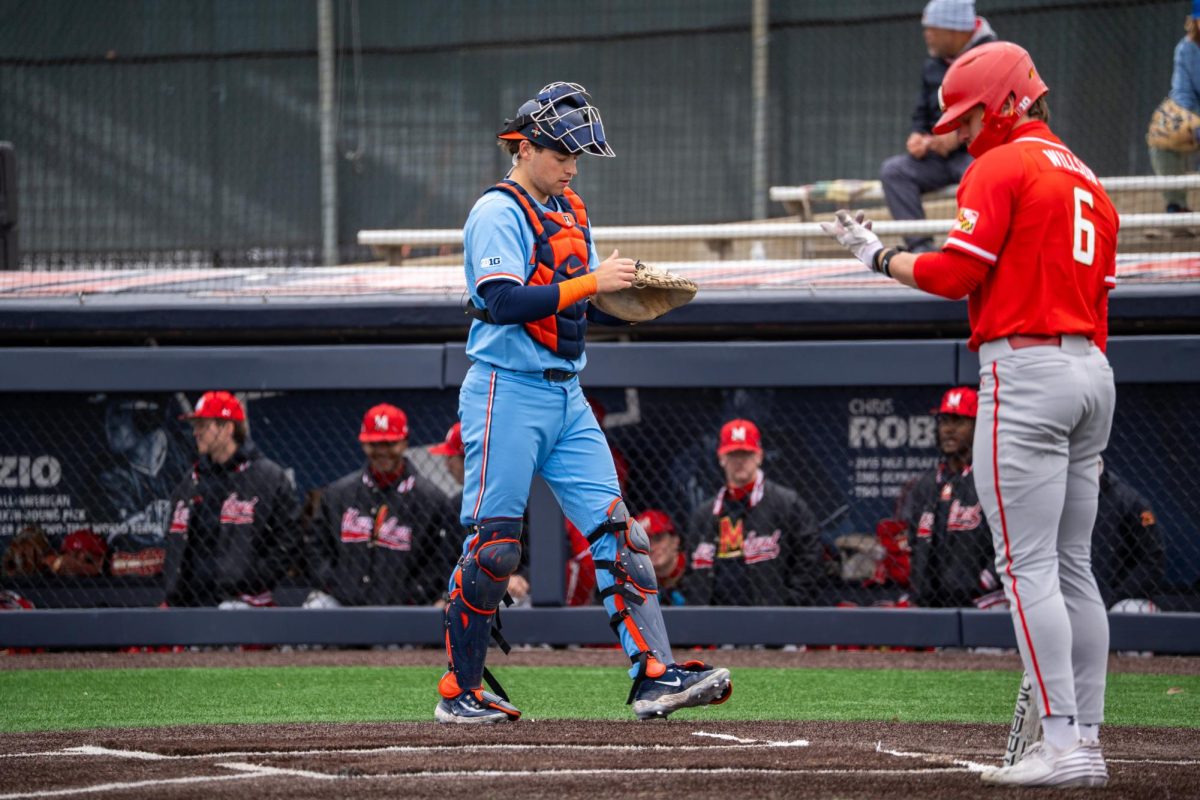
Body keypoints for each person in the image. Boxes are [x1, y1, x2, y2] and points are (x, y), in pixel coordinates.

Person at [822, 42, 1118, 788]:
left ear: (1011, 100)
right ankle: (1087, 739)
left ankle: (1063, 748)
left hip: (1026, 370)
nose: (965, 130)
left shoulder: (1004, 164)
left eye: (974, 113)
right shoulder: (1090, 177)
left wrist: (875, 256)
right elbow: (1101, 292)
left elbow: (956, 274)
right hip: (1091, 370)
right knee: (1074, 568)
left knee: (1026, 571)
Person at [437, 81, 729, 724]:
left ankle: (654, 674)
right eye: (564, 155)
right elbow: (502, 301)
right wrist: (594, 281)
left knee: (622, 533)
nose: (573, 166)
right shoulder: (497, 210)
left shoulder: (571, 208)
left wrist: (626, 294)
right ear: (528, 147)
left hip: (567, 394)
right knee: (494, 548)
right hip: (504, 390)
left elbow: (580, 296)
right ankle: (460, 690)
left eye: (578, 157)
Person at [305, 404, 459, 607]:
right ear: (363, 444)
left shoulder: (431, 500)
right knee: (316, 607)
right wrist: (334, 584)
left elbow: (443, 559)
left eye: (390, 443)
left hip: (404, 610)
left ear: (404, 443)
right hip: (343, 603)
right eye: (374, 444)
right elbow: (316, 547)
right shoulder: (338, 494)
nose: (382, 451)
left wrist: (415, 595)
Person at [162, 391, 301, 608]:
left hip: (243, 600)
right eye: (195, 425)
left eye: (203, 425)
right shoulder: (191, 480)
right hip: (190, 600)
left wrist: (253, 580)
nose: (195, 432)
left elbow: (289, 539)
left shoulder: (268, 477)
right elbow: (173, 539)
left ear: (227, 428)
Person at [880, 0, 997, 253]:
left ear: (953, 29)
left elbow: (1001, 111)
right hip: (938, 159)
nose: (926, 35)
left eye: (931, 29)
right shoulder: (932, 64)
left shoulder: (994, 56)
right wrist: (917, 135)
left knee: (985, 177)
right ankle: (921, 250)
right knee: (894, 172)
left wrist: (959, 136)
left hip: (978, 154)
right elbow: (921, 113)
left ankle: (977, 248)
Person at [684, 419, 823, 606]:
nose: (740, 461)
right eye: (733, 454)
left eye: (746, 454)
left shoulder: (787, 503)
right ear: (721, 458)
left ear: (759, 456)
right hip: (715, 624)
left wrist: (788, 604)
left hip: (771, 624)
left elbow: (810, 557)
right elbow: (691, 572)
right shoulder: (704, 514)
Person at [900, 387, 1000, 609]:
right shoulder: (926, 486)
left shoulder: (992, 479)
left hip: (984, 601)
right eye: (945, 421)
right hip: (931, 602)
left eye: (959, 421)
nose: (949, 429)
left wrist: (987, 580)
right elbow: (915, 542)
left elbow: (1014, 540)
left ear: (978, 427)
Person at [1146, 3, 1200, 215]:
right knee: (1161, 133)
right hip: (1195, 110)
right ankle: (1176, 207)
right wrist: (1189, 123)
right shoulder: (1186, 49)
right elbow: (1182, 92)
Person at [1092, 459, 1166, 610]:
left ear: (1100, 465)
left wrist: (1116, 596)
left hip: (1120, 599)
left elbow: (1153, 557)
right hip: (1071, 592)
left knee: (1128, 608)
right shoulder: (1064, 498)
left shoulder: (1131, 502)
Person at [640, 508, 686, 606]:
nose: (651, 548)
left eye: (658, 539)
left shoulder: (696, 573)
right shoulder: (634, 582)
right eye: (644, 541)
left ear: (675, 541)